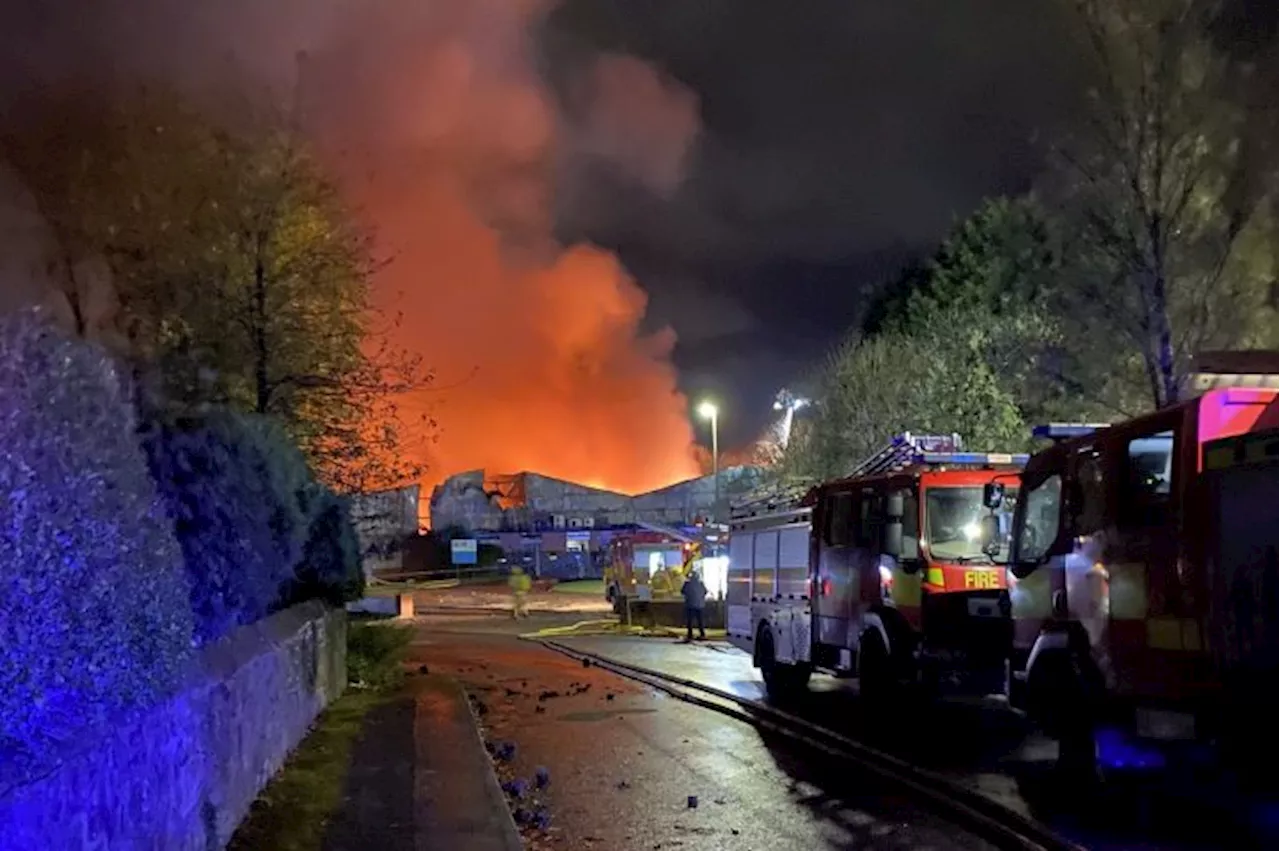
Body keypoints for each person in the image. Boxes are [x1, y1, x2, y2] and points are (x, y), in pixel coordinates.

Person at [681, 569, 707, 641]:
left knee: (690, 622)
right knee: (700, 621)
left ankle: (690, 635)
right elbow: (705, 592)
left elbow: (682, 591)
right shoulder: (701, 583)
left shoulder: (687, 584)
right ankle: (702, 634)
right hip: (700, 605)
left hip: (690, 605)